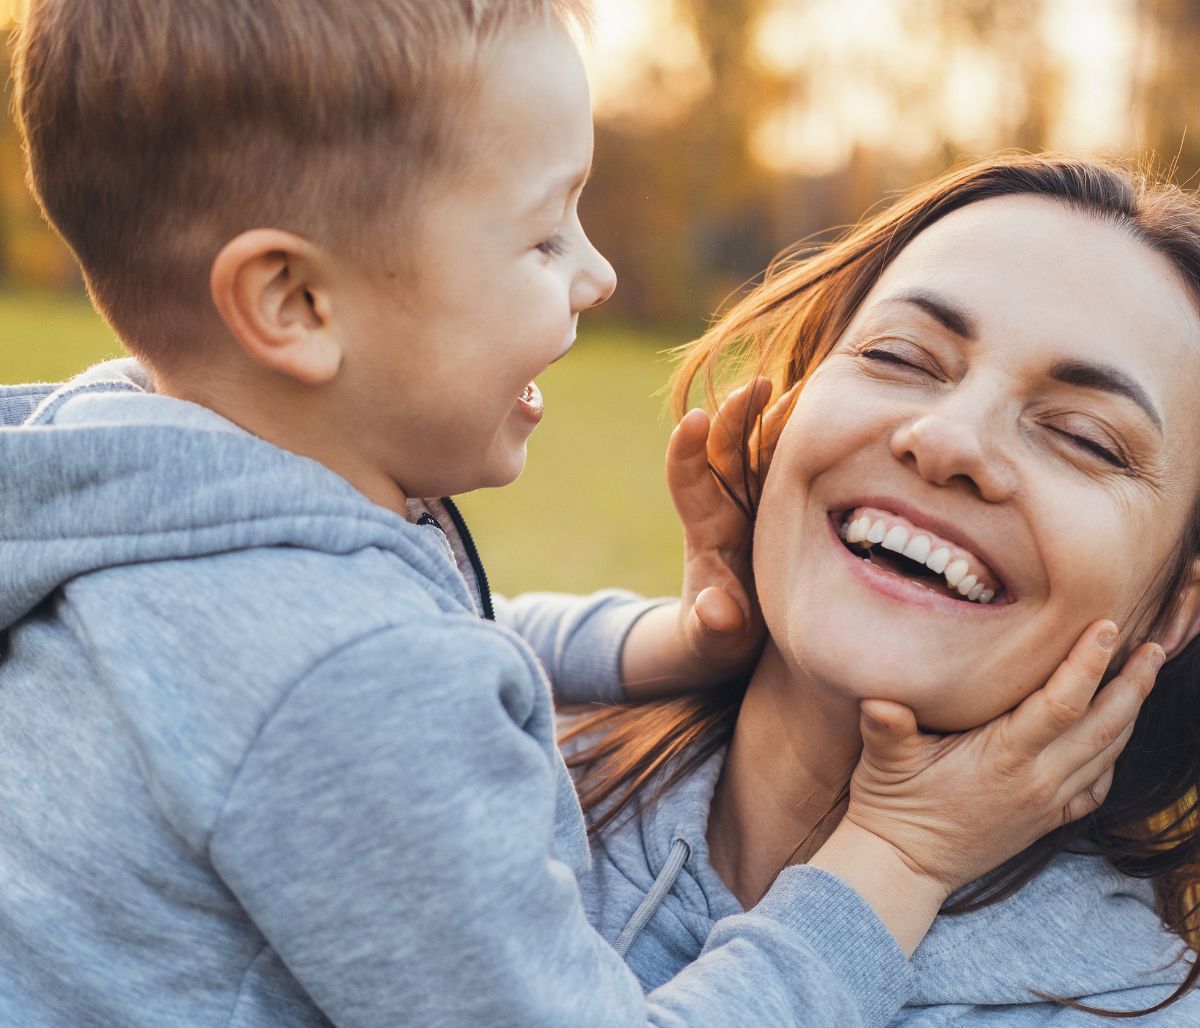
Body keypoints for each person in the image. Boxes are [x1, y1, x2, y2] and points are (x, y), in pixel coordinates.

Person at [0, 0, 1158, 1022]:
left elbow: (427, 641)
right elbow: (385, 664)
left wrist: (667, 640)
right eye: (544, 234)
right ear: (293, 302)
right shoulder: (350, 693)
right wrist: (896, 854)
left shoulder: (148, 475)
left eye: (1088, 437)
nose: (597, 275)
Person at [567, 152, 1200, 1021]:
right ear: (781, 422)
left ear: (1172, 609)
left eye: (1085, 436)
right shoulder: (471, 765)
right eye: (902, 354)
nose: (948, 440)